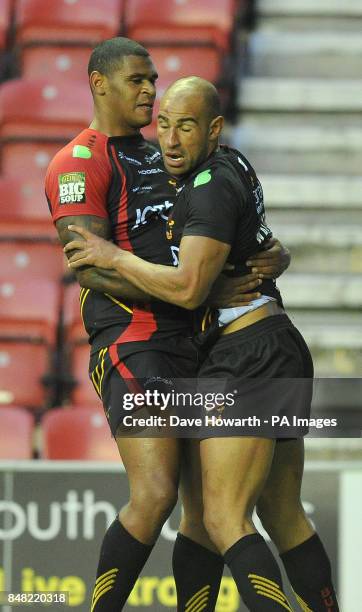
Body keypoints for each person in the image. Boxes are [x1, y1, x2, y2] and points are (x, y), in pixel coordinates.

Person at [66, 76, 340, 612]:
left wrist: (114, 256)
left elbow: (190, 288)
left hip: (245, 356)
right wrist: (269, 254)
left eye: (185, 127)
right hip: (267, 347)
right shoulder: (227, 166)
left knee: (221, 517)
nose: (169, 139)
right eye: (164, 124)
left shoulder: (210, 182)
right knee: (269, 513)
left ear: (213, 129)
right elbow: (252, 245)